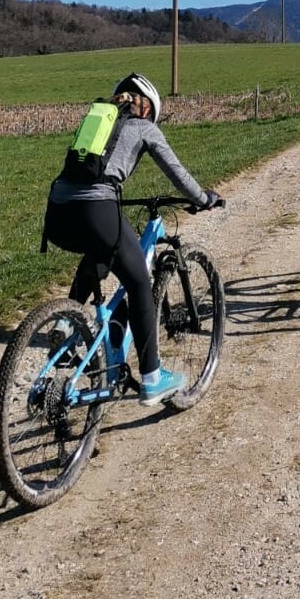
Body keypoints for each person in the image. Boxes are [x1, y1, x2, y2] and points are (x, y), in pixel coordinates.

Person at [43, 72, 221, 406]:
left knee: (99, 251)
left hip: (57, 212)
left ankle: (67, 327)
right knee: (139, 279)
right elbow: (177, 173)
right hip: (96, 208)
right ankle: (153, 378)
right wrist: (202, 198)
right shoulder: (143, 127)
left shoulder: (97, 121)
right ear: (147, 108)